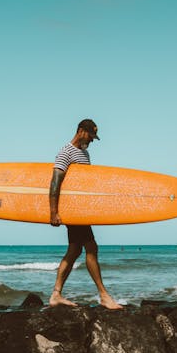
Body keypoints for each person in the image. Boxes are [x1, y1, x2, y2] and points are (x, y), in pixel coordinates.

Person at [49, 119, 123, 310]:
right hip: (71, 210)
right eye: (90, 136)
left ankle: (56, 294)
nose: (91, 140)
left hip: (81, 211)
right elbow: (55, 182)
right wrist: (54, 212)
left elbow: (84, 185)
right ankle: (104, 295)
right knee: (91, 247)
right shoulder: (66, 152)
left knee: (75, 250)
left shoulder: (84, 153)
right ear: (81, 131)